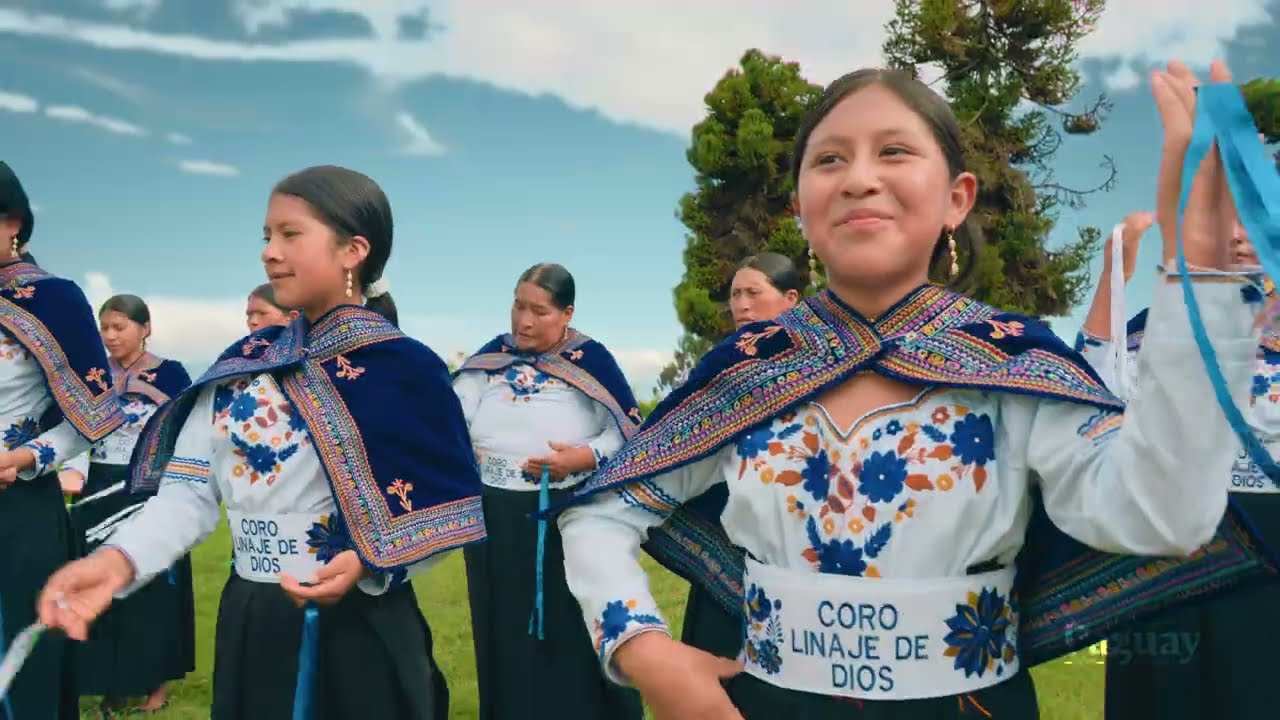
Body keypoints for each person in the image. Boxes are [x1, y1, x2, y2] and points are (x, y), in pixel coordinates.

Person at [548, 61, 1269, 719]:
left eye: (894, 151)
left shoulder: (1013, 366)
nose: (859, 178)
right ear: (800, 208)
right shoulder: (747, 370)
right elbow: (601, 512)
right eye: (829, 159)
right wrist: (641, 649)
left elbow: (1162, 518)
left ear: (958, 198)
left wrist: (1200, 284)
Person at [36, 165, 486, 720]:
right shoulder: (243, 366)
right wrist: (116, 563)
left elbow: (445, 505)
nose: (270, 252)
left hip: (361, 627)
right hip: (252, 616)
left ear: (354, 251)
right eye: (266, 237)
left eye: (290, 234)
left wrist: (371, 566)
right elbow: (187, 495)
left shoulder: (405, 368)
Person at [1079, 212, 1280, 719]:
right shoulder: (1154, 329)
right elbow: (1087, 392)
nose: (1235, 237)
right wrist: (1114, 277)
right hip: (1164, 554)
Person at [453, 262, 645, 720]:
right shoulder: (489, 361)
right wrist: (463, 448)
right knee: (501, 621)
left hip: (568, 511)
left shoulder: (591, 361)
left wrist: (584, 457)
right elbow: (448, 415)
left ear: (566, 314)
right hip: (495, 515)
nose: (523, 321)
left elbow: (625, 428)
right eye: (518, 306)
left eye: (539, 311)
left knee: (570, 622)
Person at [0, 160, 125, 718]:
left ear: (13, 223)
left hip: (19, 509)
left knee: (21, 664)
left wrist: (27, 457)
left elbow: (92, 415)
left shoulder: (54, 301)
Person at [667, 253, 805, 661]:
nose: (741, 304)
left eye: (753, 292)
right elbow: (674, 433)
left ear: (791, 298)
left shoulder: (822, 359)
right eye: (735, 294)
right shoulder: (722, 360)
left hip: (798, 529)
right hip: (727, 521)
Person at [66, 294, 194, 714]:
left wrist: (147, 392)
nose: (110, 336)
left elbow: (184, 426)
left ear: (145, 328)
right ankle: (110, 683)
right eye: (105, 327)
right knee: (100, 582)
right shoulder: (93, 374)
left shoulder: (171, 374)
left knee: (149, 584)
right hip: (98, 485)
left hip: (146, 485)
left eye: (120, 326)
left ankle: (155, 683)